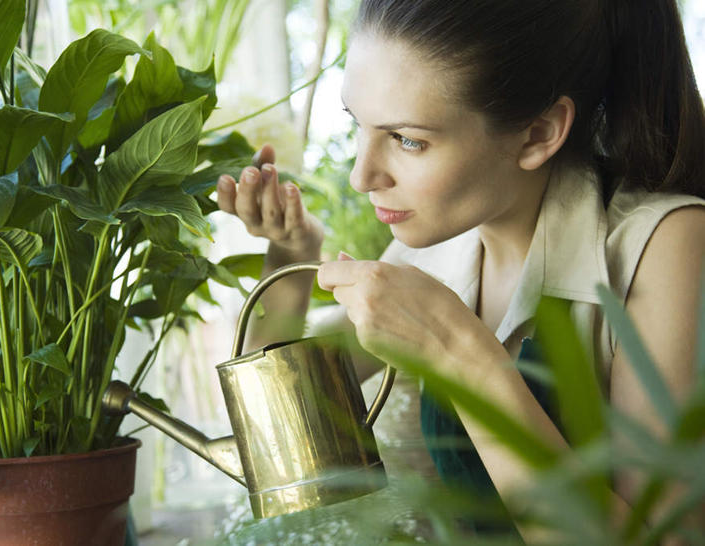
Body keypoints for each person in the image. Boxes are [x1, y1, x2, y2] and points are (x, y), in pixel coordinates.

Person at [216, 0, 705, 540]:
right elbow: (281, 436)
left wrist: (458, 351)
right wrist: (291, 255)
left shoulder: (664, 244)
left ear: (538, 133)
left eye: (408, 140)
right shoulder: (436, 247)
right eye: (358, 125)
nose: (361, 175)